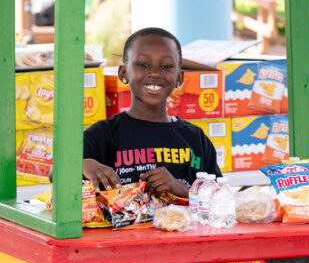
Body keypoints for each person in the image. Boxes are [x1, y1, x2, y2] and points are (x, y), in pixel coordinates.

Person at [83, 28, 221, 196]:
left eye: (166, 66)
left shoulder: (195, 138)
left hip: (183, 222)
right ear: (123, 73)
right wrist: (84, 164)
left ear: (179, 78)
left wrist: (180, 190)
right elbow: (56, 172)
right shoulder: (104, 134)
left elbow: (218, 197)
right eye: (143, 64)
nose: (155, 73)